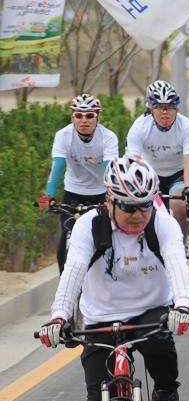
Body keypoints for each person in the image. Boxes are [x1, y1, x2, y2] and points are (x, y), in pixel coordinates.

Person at [37, 155, 189, 401]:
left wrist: (183, 305)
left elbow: (177, 265)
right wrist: (59, 317)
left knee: (158, 342)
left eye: (143, 206)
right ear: (109, 200)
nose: (137, 215)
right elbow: (72, 272)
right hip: (101, 318)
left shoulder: (162, 224)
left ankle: (166, 395)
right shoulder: (90, 227)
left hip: (149, 310)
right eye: (127, 207)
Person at [38, 94, 119, 271]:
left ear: (98, 117)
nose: (84, 120)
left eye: (89, 115)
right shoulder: (63, 136)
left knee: (105, 240)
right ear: (72, 117)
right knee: (66, 240)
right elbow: (57, 166)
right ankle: (65, 286)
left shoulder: (108, 137)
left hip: (100, 193)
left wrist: (112, 196)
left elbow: (109, 170)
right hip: (73, 193)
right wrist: (49, 195)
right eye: (78, 115)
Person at [125, 79, 189, 241]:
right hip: (151, 175)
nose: (165, 112)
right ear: (151, 108)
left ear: (177, 108)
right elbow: (132, 162)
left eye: (170, 107)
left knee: (179, 205)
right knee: (148, 212)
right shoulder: (139, 127)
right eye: (159, 107)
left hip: (179, 174)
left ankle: (182, 240)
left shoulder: (188, 126)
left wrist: (187, 187)